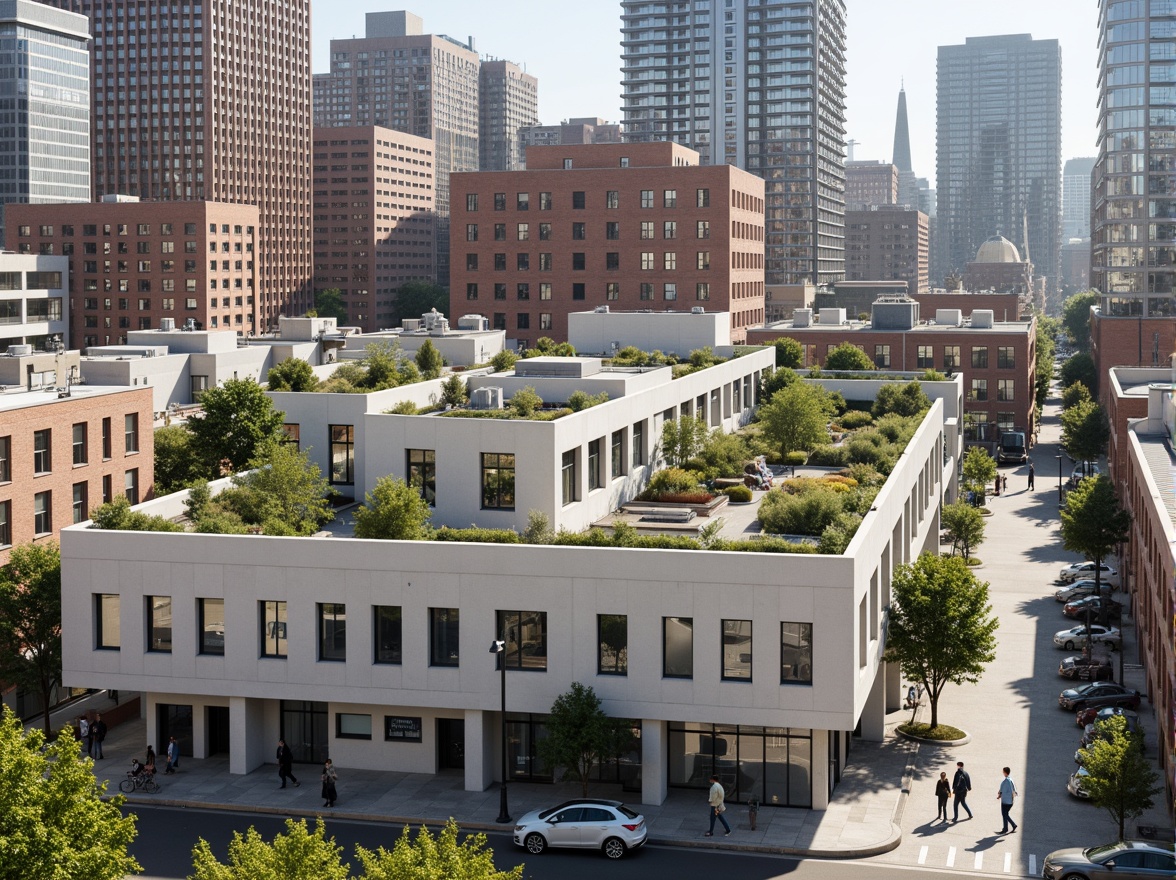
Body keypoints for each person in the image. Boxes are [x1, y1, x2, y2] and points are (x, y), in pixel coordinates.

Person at [997, 767, 1018, 833]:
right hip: (1011, 801)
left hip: (1006, 801)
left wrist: (999, 795)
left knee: (1004, 814)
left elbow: (1002, 790)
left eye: (1003, 771)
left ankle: (1009, 827)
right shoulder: (1010, 780)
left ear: (1005, 772)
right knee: (1006, 814)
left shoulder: (1006, 781)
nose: (1003, 773)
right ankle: (1007, 827)